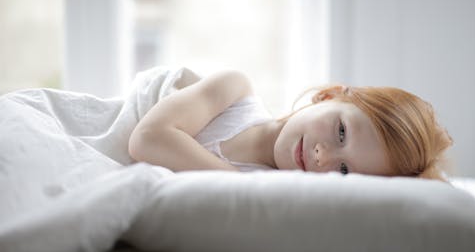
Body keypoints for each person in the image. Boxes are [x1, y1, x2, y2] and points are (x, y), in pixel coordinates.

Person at [128, 68, 453, 181]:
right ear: (328, 96)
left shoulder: (277, 195)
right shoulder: (235, 91)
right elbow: (147, 138)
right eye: (341, 132)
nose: (321, 156)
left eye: (343, 171)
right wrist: (237, 184)